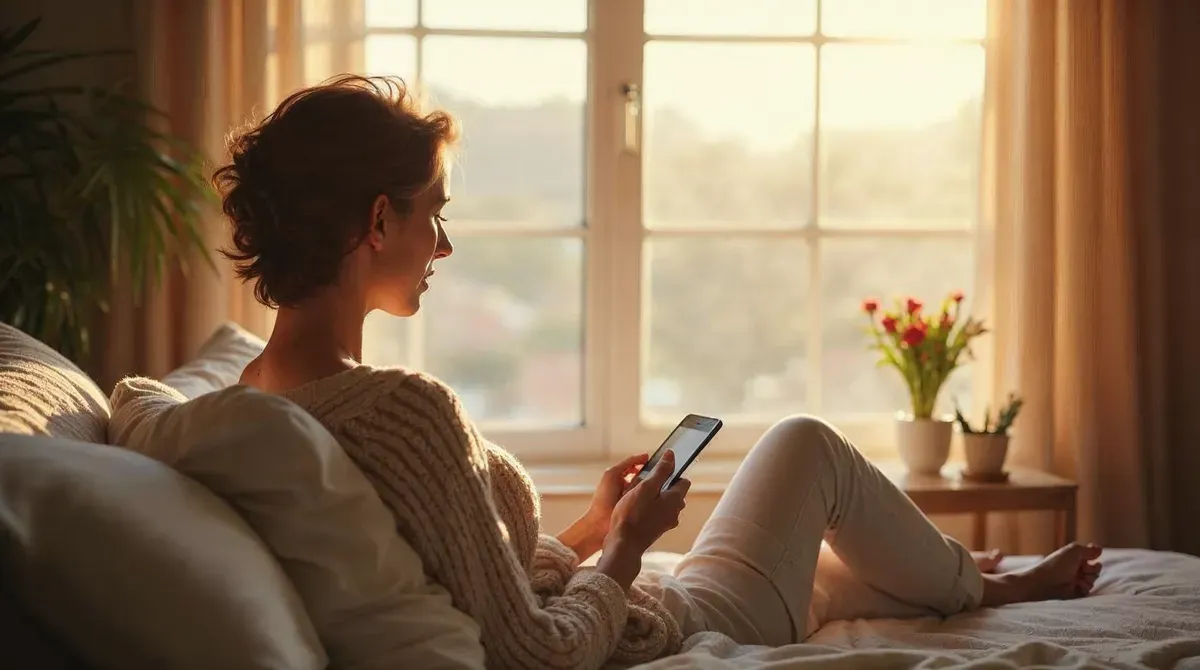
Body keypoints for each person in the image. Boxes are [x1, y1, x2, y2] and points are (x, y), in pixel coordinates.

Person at [215, 75, 1103, 669]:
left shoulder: (247, 397)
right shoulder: (399, 412)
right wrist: (634, 543)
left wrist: (596, 524)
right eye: (433, 217)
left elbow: (475, 579)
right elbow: (538, 653)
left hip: (620, 585)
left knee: (837, 579)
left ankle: (965, 579)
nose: (442, 244)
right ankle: (992, 584)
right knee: (807, 446)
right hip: (665, 623)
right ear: (378, 220)